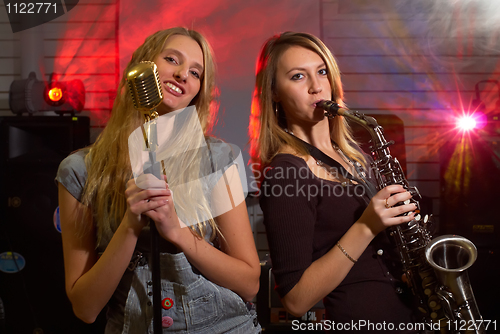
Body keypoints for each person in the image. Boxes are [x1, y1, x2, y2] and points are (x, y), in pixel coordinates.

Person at [56, 27, 261, 333]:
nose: (183, 75)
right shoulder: (80, 171)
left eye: (195, 72)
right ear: (141, 68)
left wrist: (178, 232)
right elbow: (85, 308)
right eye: (171, 59)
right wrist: (129, 226)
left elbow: (249, 283)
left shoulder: (217, 159)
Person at [249, 32, 419, 332]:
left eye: (322, 71)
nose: (317, 87)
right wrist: (366, 226)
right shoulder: (285, 173)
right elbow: (296, 300)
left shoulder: (354, 157)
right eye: (298, 76)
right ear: (274, 92)